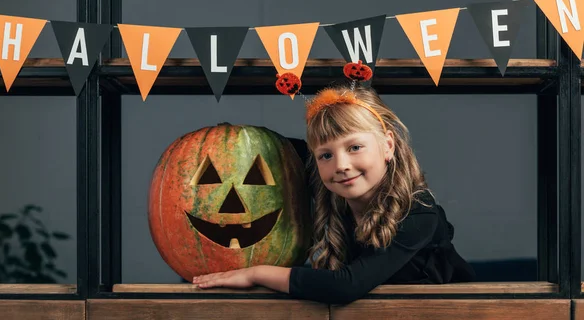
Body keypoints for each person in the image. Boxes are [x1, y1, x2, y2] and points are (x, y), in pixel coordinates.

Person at [192, 84, 475, 304]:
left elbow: (346, 285)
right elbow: (260, 149)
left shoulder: (419, 211)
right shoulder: (330, 182)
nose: (341, 165)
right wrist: (222, 138)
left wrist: (255, 273)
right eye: (326, 154)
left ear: (388, 145)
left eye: (354, 148)